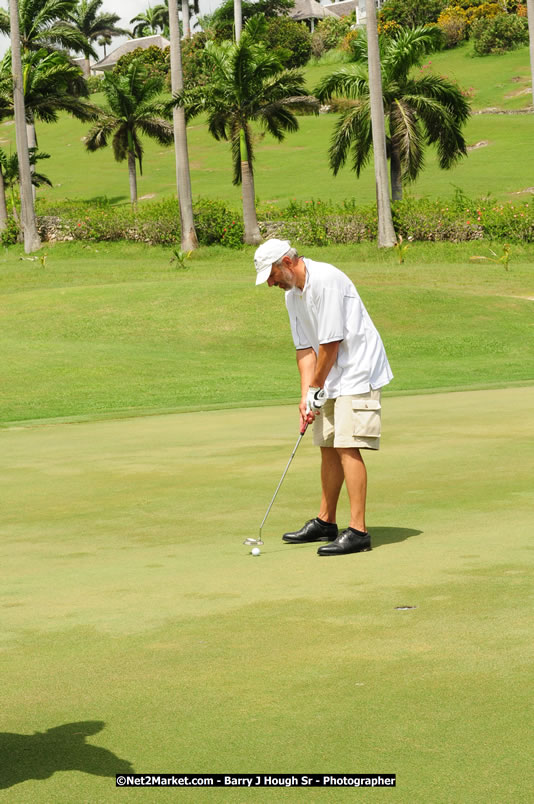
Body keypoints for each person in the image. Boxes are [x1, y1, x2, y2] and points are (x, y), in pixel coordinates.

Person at [254, 239, 393, 556]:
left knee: (346, 445)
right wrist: (306, 395)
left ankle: (358, 531)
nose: (271, 283)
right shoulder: (292, 295)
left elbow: (330, 343)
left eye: (272, 275)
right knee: (328, 444)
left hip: (358, 369)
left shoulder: (326, 280)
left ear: (287, 262)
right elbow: (305, 349)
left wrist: (316, 386)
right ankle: (326, 521)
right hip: (330, 373)